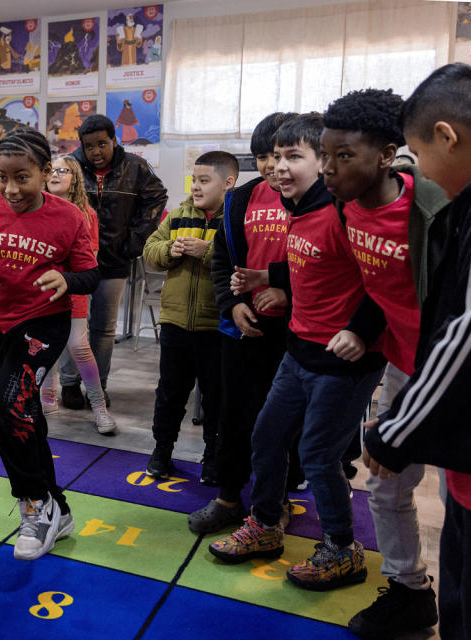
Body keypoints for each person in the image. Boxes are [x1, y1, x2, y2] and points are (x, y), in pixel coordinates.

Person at [211, 113, 386, 591]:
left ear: (323, 162)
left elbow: (385, 280)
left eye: (295, 157)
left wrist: (360, 330)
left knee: (317, 455)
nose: (281, 168)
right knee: (266, 437)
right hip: (299, 351)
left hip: (344, 362)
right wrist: (269, 279)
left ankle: (341, 549)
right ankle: (266, 525)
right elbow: (314, 265)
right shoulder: (298, 209)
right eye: (276, 157)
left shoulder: (343, 210)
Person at [363, 63, 471, 640]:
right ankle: (412, 591)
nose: (423, 174)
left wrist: (396, 428)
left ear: (446, 135)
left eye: (421, 154)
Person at [318, 88, 447, 640]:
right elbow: (379, 287)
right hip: (401, 365)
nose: (328, 169)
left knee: (457, 495)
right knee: (387, 482)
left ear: (387, 155)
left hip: (451, 372)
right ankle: (410, 591)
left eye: (344, 156)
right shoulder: (347, 208)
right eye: (324, 155)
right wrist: (360, 328)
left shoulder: (434, 213)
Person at [0, 129, 98, 561]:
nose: (10, 189)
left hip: (45, 323)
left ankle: (33, 504)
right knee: (23, 413)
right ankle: (57, 507)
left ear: (45, 173)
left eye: (22, 177)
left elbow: (89, 274)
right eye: (2, 177)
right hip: (2, 324)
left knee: (6, 407)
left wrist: (67, 279)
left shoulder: (69, 217)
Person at [188, 113, 298, 533]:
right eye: (262, 156)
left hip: (292, 333)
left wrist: (286, 291)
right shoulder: (241, 198)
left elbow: (320, 263)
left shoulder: (314, 199)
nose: (271, 165)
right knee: (232, 416)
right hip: (242, 328)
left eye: (279, 155)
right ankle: (228, 499)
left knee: (281, 424)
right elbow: (222, 260)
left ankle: (276, 501)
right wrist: (232, 305)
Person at [142, 151, 237, 486]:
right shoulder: (180, 214)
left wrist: (206, 253)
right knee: (170, 392)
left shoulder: (235, 217)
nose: (196, 187)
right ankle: (162, 450)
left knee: (217, 396)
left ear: (228, 183)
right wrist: (172, 250)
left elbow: (243, 260)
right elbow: (149, 251)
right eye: (193, 180)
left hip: (217, 326)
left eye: (204, 180)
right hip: (176, 322)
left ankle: (213, 456)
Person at [70, 115, 167, 409]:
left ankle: (97, 386)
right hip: (75, 262)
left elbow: (156, 197)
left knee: (104, 328)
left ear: (114, 140)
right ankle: (69, 384)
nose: (96, 152)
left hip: (114, 261)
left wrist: (134, 243)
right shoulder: (71, 166)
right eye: (89, 146)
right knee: (73, 327)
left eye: (102, 144)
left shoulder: (135, 167)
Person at [39, 154, 117, 435]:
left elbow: (89, 261)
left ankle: (99, 408)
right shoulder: (37, 209)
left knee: (79, 347)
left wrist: (65, 277)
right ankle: (47, 406)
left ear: (75, 178)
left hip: (73, 292)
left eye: (64, 170)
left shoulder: (85, 214)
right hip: (42, 293)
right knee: (45, 348)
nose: (56, 175)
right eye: (52, 170)